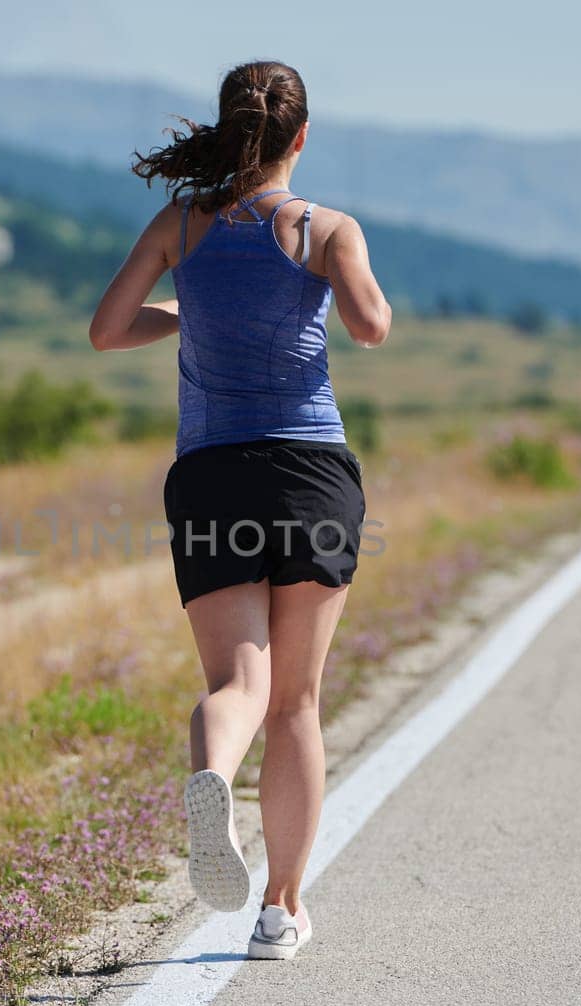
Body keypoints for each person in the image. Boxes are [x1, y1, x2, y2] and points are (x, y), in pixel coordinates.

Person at [88, 59, 392, 960]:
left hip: (213, 473)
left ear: (229, 131)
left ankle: (211, 775)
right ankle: (279, 910)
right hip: (309, 473)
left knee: (239, 688)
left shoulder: (181, 222)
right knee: (296, 702)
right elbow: (371, 326)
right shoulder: (325, 226)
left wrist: (189, 314)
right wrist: (337, 277)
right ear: (302, 138)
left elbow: (107, 328)